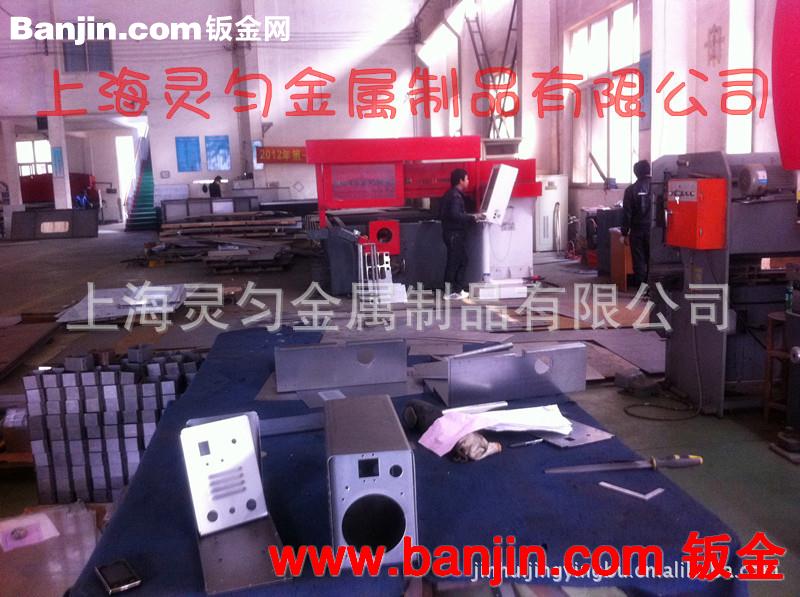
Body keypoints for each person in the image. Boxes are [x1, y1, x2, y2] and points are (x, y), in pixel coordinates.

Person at [438, 168, 482, 300]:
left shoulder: (451, 194)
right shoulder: (455, 197)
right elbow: (455, 214)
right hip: (454, 234)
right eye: (467, 179)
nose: (468, 181)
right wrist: (472, 217)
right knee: (455, 262)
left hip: (451, 234)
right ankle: (450, 292)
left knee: (460, 260)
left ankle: (456, 290)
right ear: (461, 181)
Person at [621, 160, 652, 288]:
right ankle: (653, 289)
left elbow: (627, 213)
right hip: (654, 230)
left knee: (638, 260)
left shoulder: (630, 190)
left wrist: (624, 233)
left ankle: (642, 288)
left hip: (637, 230)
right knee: (653, 259)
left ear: (636, 173)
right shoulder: (658, 187)